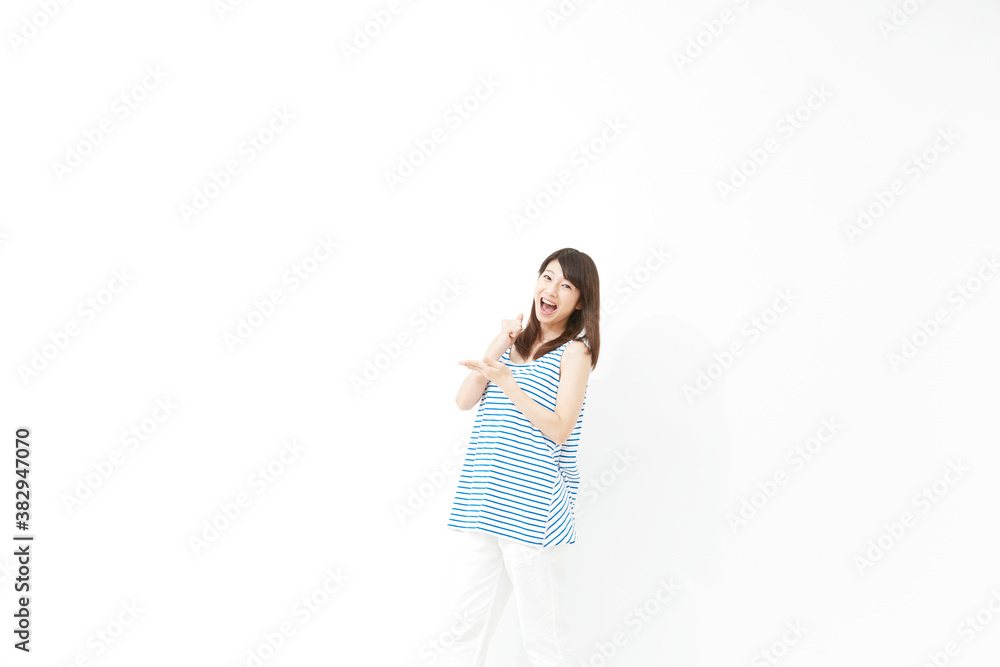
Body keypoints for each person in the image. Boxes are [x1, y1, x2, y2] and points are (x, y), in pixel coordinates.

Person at [441, 247, 600, 667]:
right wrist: (498, 344)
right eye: (547, 277)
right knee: (463, 631)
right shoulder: (511, 346)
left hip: (532, 510)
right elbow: (464, 400)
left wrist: (509, 383)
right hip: (484, 503)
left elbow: (560, 428)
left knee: (544, 642)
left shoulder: (575, 352)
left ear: (579, 302)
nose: (551, 290)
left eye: (566, 285)